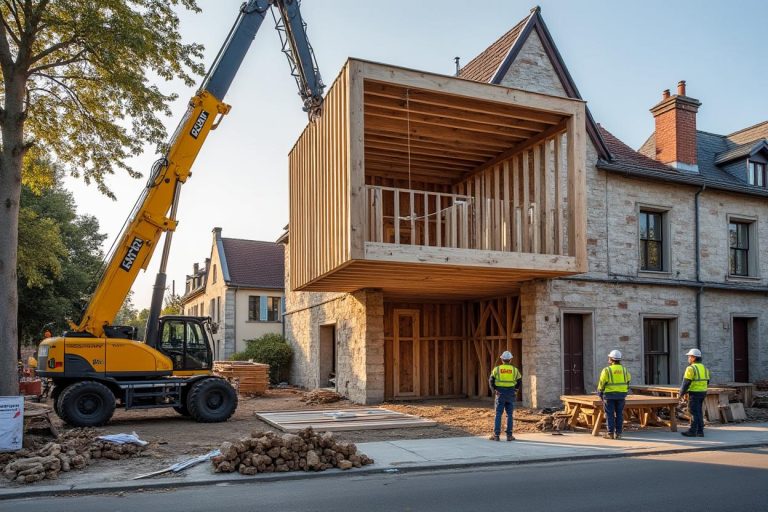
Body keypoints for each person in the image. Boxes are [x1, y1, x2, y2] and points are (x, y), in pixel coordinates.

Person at [597, 349, 630, 440]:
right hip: (621, 395)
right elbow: (628, 381)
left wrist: (600, 392)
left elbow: (602, 382)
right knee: (619, 414)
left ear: (611, 359)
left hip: (609, 395)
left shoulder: (607, 370)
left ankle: (610, 433)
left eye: (609, 358)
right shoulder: (624, 370)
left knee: (609, 414)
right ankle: (619, 434)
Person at [488, 351, 522, 441]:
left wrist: (494, 390)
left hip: (500, 392)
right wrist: (515, 390)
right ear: (510, 360)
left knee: (498, 414)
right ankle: (509, 436)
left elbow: (491, 380)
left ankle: (496, 435)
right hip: (510, 392)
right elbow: (519, 381)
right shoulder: (515, 370)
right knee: (509, 414)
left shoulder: (497, 369)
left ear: (502, 359)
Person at [679, 348, 709, 437]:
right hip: (703, 392)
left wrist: (681, 393)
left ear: (693, 358)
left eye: (689, 357)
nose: (688, 358)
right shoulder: (704, 368)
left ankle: (692, 431)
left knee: (693, 412)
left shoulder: (690, 368)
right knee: (699, 411)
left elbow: (686, 382)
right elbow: (707, 381)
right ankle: (700, 431)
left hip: (694, 393)